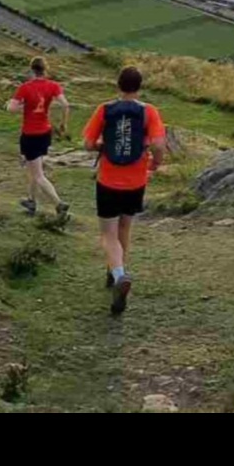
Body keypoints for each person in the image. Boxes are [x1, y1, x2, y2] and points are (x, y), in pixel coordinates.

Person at [82, 66, 166, 316]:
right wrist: (155, 163)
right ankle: (117, 270)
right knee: (124, 228)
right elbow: (159, 144)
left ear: (118, 86)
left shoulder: (105, 109)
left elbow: (87, 144)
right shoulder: (149, 111)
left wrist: (102, 145)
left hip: (108, 180)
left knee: (108, 234)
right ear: (140, 87)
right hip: (136, 181)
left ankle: (118, 273)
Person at [6, 57, 72, 221]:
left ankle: (59, 204)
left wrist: (23, 105)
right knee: (33, 169)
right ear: (45, 69)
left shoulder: (25, 88)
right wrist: (63, 124)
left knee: (38, 174)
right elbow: (65, 105)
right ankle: (31, 201)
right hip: (45, 132)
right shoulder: (53, 86)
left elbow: (11, 108)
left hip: (30, 134)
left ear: (31, 70)